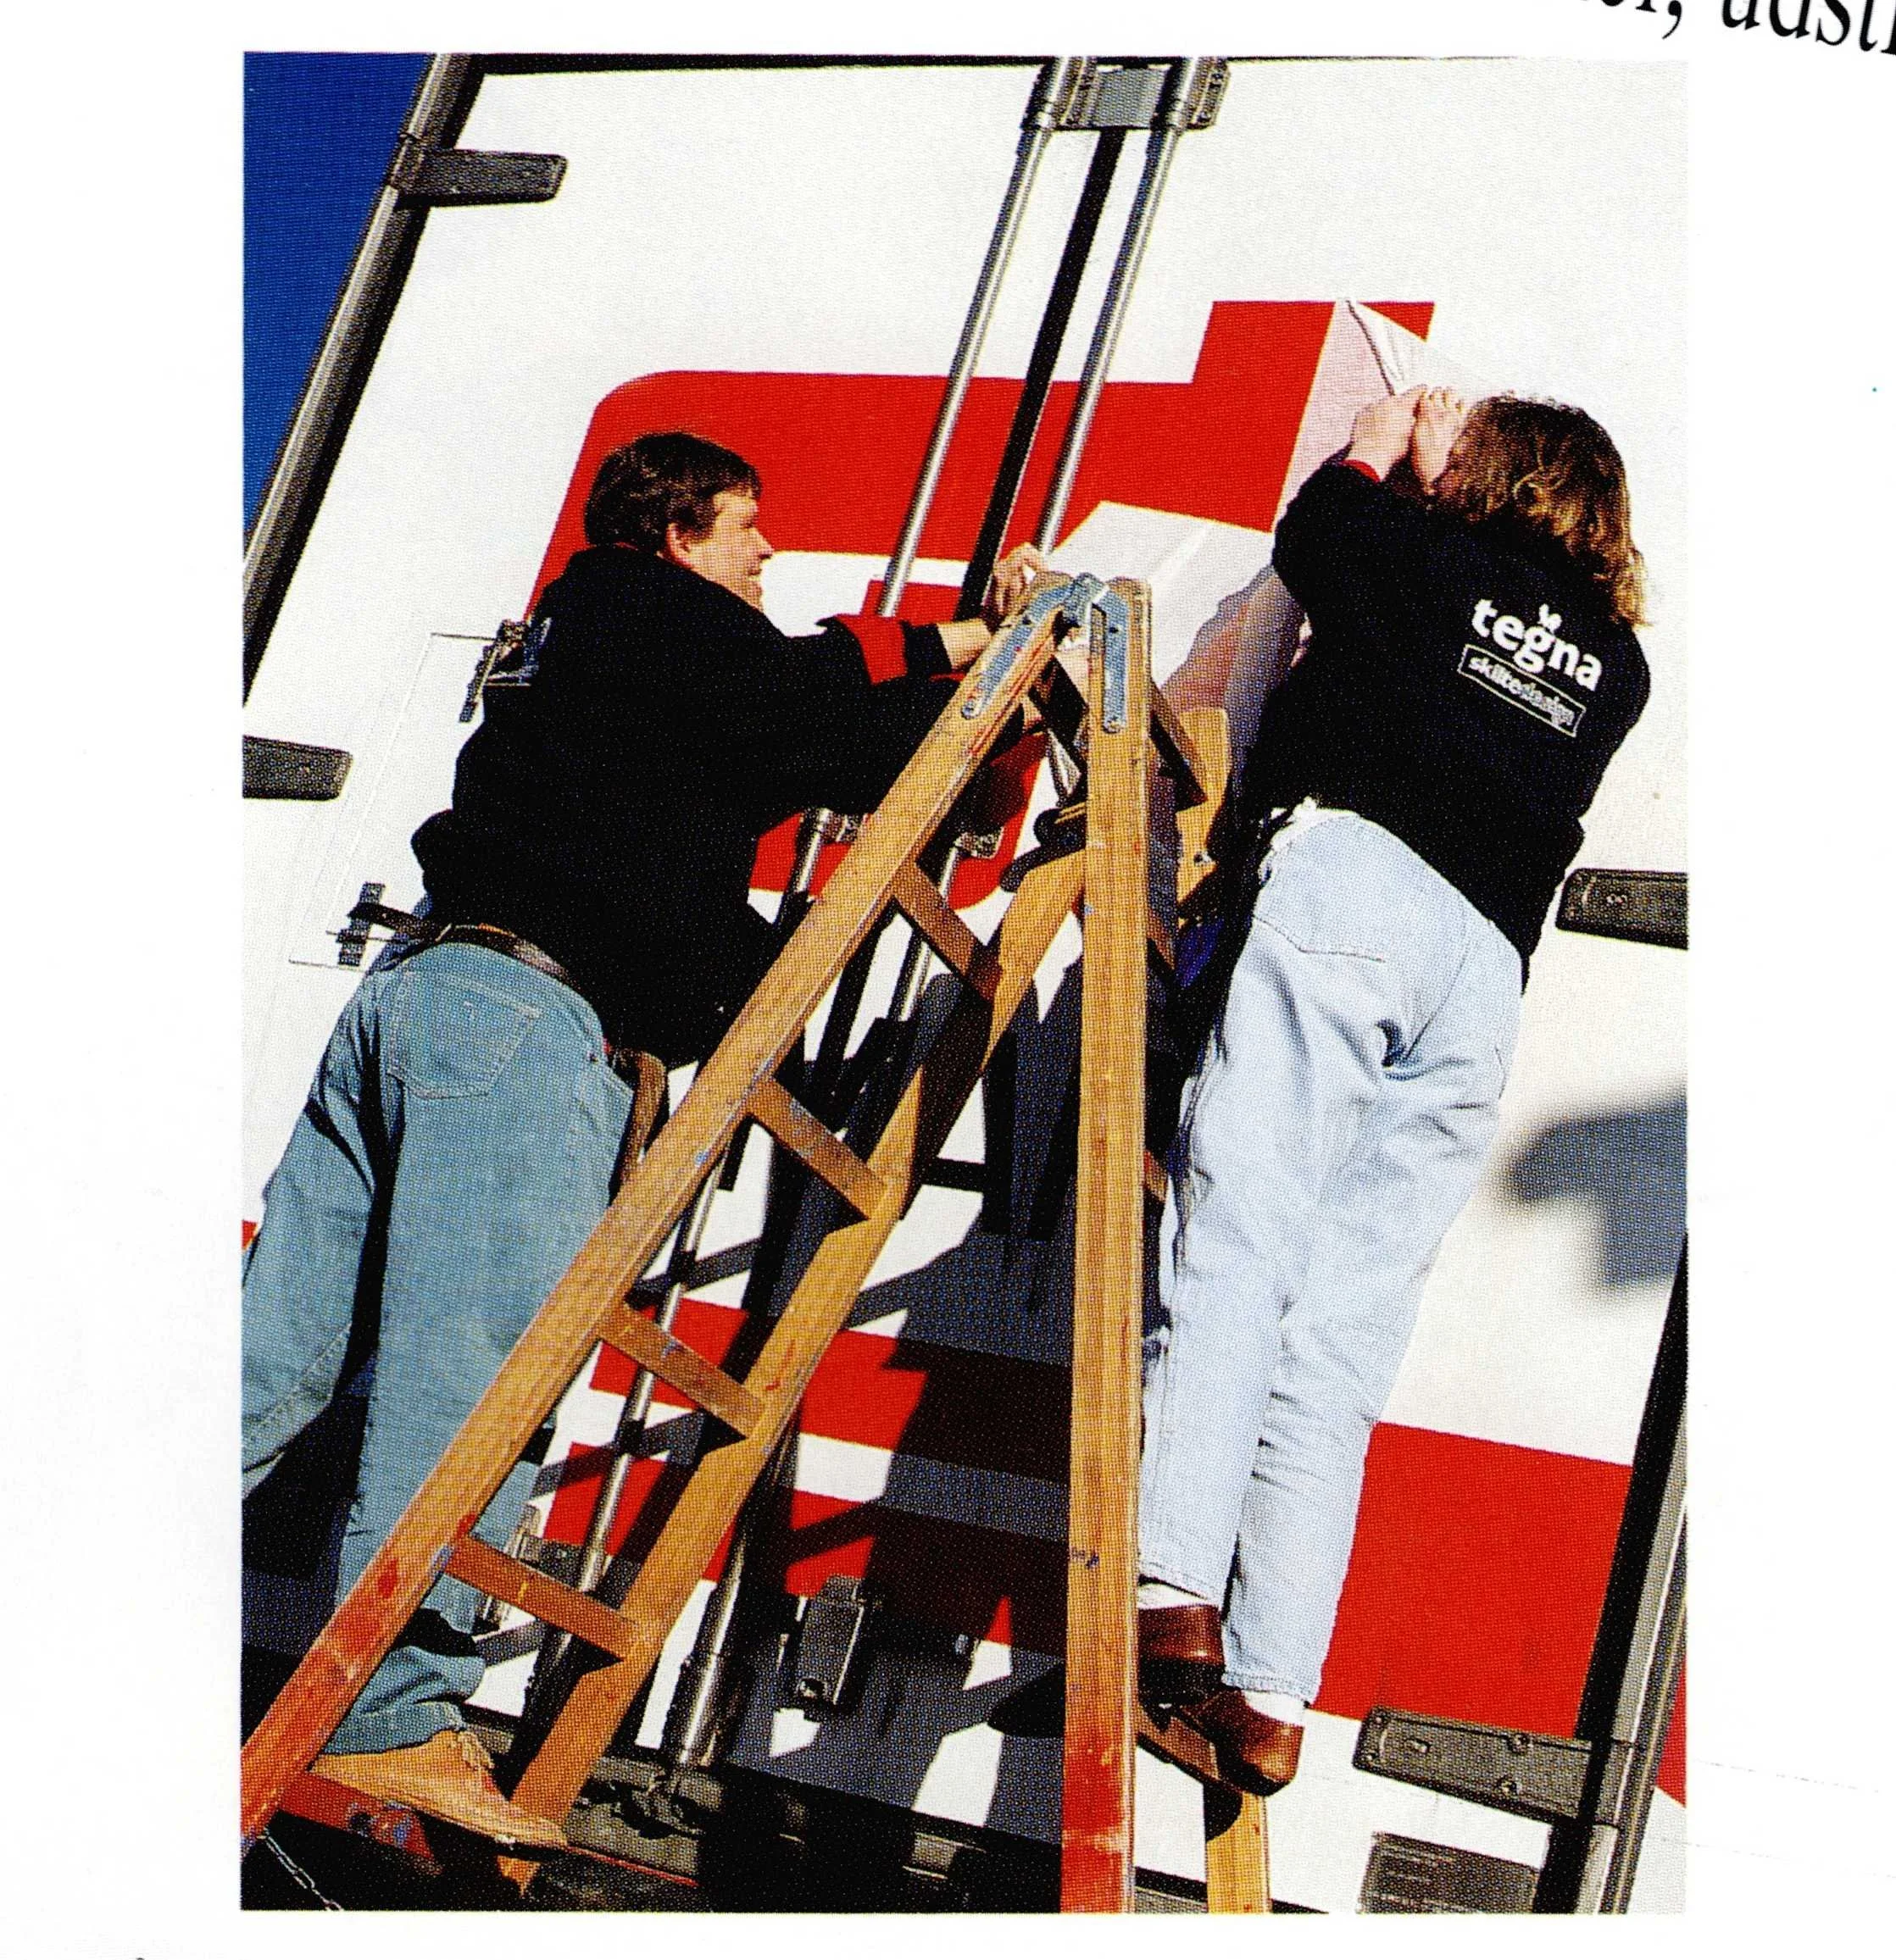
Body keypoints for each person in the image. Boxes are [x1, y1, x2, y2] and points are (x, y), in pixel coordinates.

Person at [242, 430, 1040, 1845]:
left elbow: (790, 745)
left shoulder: (614, 669)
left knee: (276, 1356)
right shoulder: (640, 603)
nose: (766, 554)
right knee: (468, 1381)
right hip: (524, 1034)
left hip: (427, 994)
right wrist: (989, 632)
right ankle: (388, 1718)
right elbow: (810, 705)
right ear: (675, 533)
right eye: (747, 528)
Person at [1135, 386, 1652, 1796]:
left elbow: (1319, 528)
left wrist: (1384, 451)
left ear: (1491, 479)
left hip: (1358, 891)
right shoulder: (1613, 664)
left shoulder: (1430, 561)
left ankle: (1166, 1590)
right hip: (1479, 975)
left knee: (1238, 1237)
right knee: (1345, 1332)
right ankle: (1273, 1696)